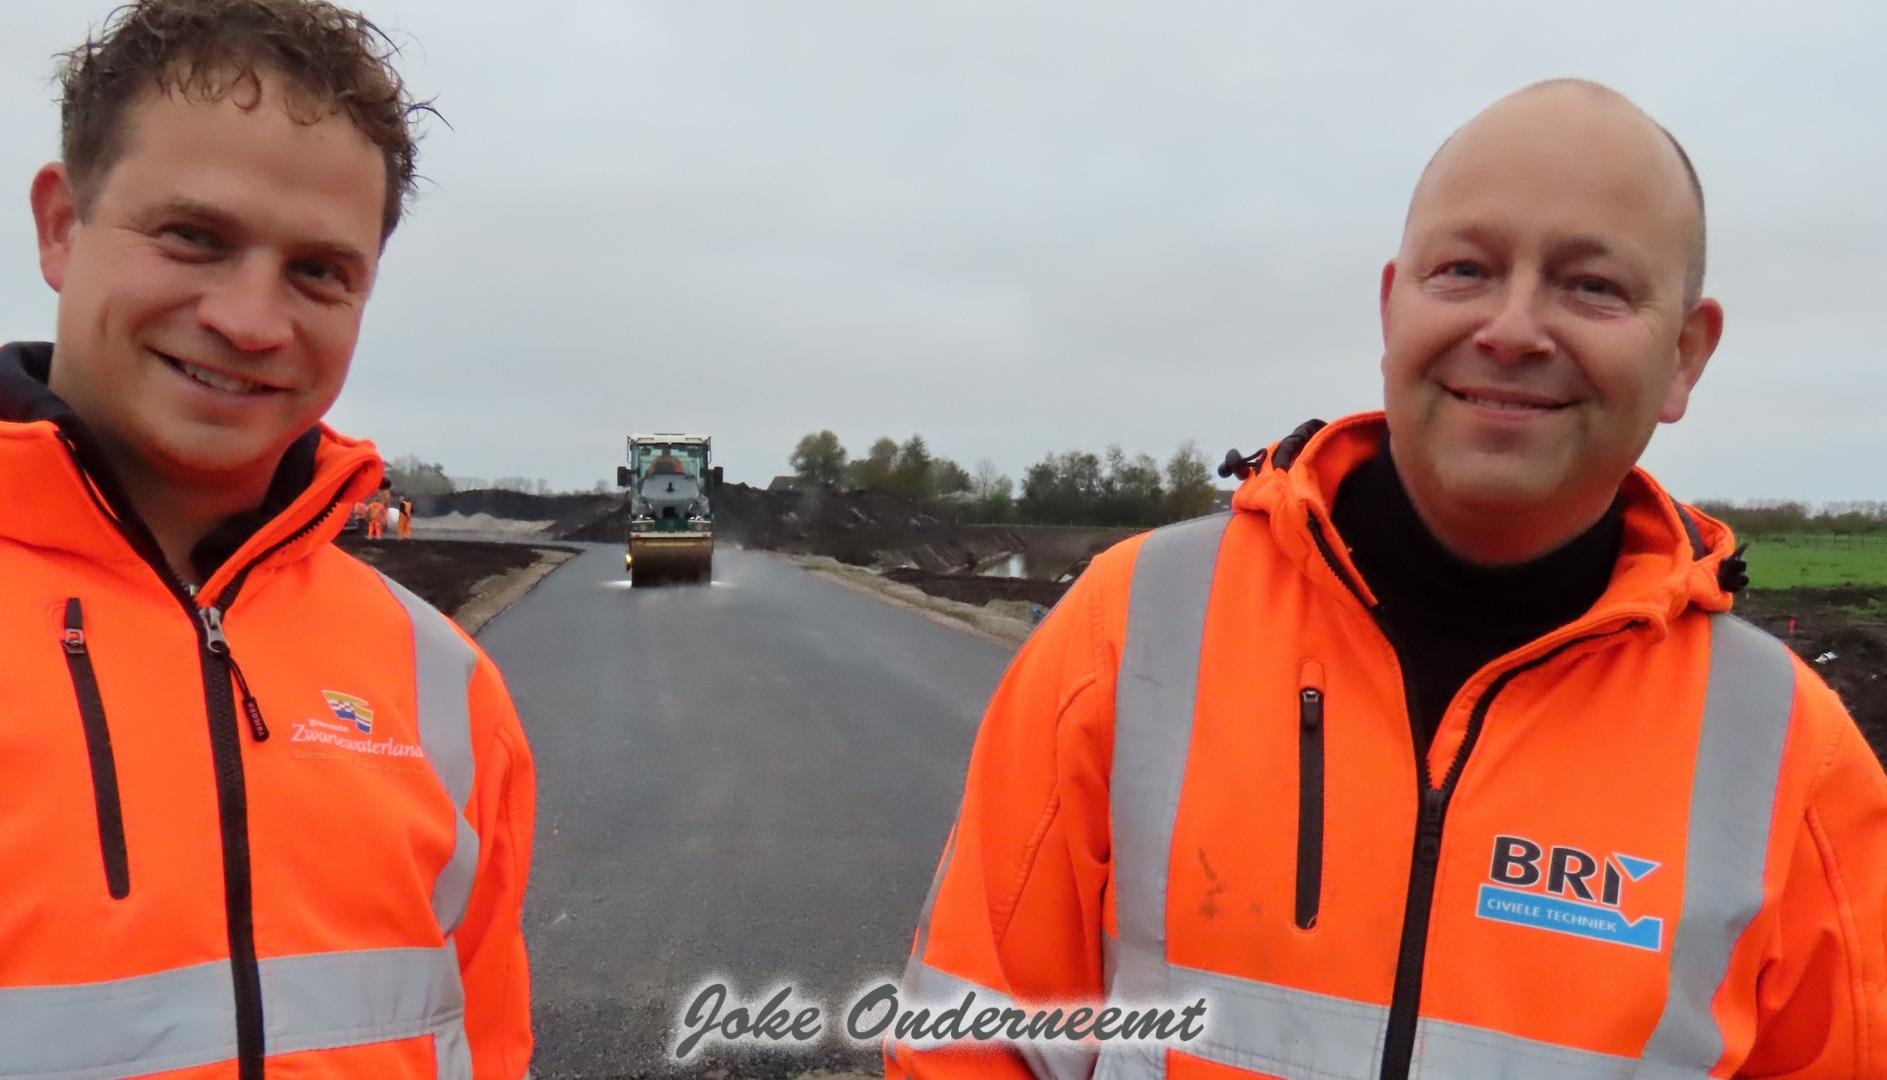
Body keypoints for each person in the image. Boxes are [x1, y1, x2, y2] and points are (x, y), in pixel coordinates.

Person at [891, 80, 1887, 1078]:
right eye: (1464, 269)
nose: (1512, 328)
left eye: (1592, 285)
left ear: (1685, 355)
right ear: (1390, 307)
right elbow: (972, 1043)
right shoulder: (1129, 630)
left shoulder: (1795, 762)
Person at [1, 2, 536, 1076]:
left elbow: (484, 1040)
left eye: (317, 271)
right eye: (194, 237)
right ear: (62, 225)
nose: (250, 321)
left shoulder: (443, 689)